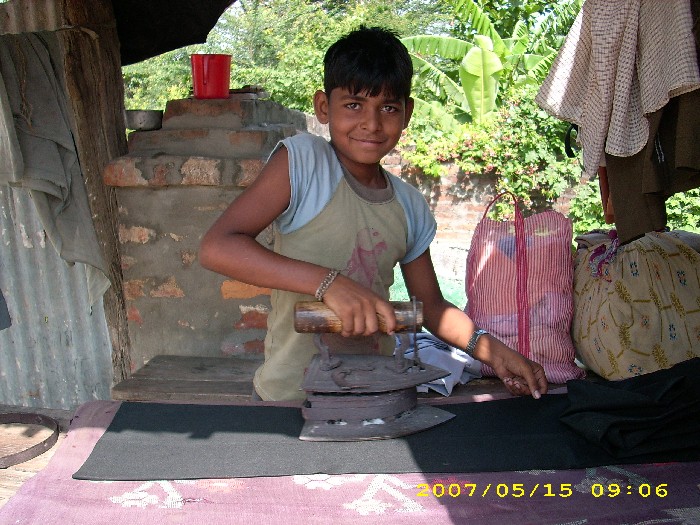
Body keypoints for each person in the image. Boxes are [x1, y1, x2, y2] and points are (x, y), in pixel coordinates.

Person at [199, 26, 548, 401]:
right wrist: (329, 284)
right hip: (290, 396)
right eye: (354, 105)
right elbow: (217, 247)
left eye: (388, 108)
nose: (372, 123)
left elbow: (431, 307)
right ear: (323, 107)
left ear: (407, 113)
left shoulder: (409, 205)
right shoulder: (303, 163)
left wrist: (494, 352)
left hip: (376, 393)